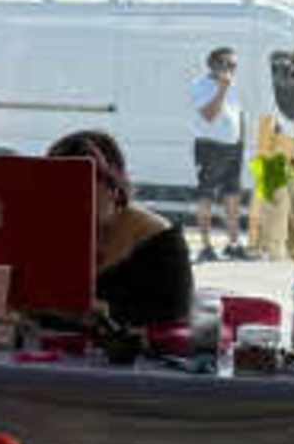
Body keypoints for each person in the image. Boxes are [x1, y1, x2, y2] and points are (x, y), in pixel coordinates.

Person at [45, 129, 194, 329]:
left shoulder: (160, 241)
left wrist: (104, 312)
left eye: (83, 189)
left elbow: (173, 318)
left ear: (114, 187)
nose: (69, 202)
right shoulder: (48, 234)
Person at [188, 45, 252, 261]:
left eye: (234, 65)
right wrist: (222, 90)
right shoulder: (201, 85)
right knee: (206, 194)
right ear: (214, 64)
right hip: (209, 146)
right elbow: (209, 115)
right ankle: (206, 246)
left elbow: (238, 115)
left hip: (232, 146)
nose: (232, 69)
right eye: (227, 64)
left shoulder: (233, 86)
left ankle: (233, 243)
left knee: (233, 195)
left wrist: (241, 142)